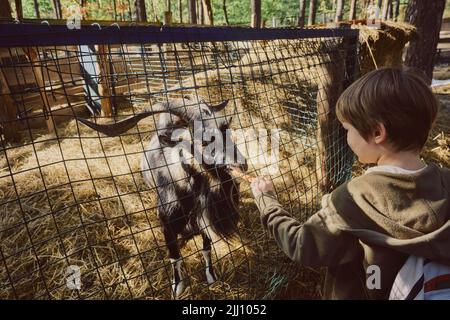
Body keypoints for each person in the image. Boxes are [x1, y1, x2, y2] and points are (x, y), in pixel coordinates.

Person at [250, 67, 450, 299]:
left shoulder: (353, 198)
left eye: (347, 129)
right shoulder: (446, 181)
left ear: (377, 132)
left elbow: (302, 246)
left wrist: (268, 203)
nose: (346, 138)